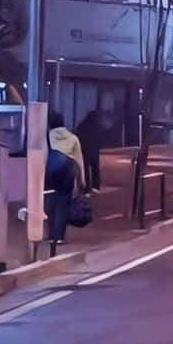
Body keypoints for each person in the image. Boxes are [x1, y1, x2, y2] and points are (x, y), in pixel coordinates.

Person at [45, 108, 85, 248]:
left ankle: (51, 236)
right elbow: (80, 161)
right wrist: (82, 182)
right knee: (63, 205)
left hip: (50, 174)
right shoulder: (73, 138)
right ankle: (59, 236)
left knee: (50, 203)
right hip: (67, 174)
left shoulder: (47, 136)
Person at [75, 105, 103, 190]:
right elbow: (101, 137)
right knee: (95, 168)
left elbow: (78, 136)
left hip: (84, 150)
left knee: (86, 168)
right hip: (94, 150)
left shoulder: (82, 125)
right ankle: (96, 186)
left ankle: (87, 186)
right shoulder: (97, 126)